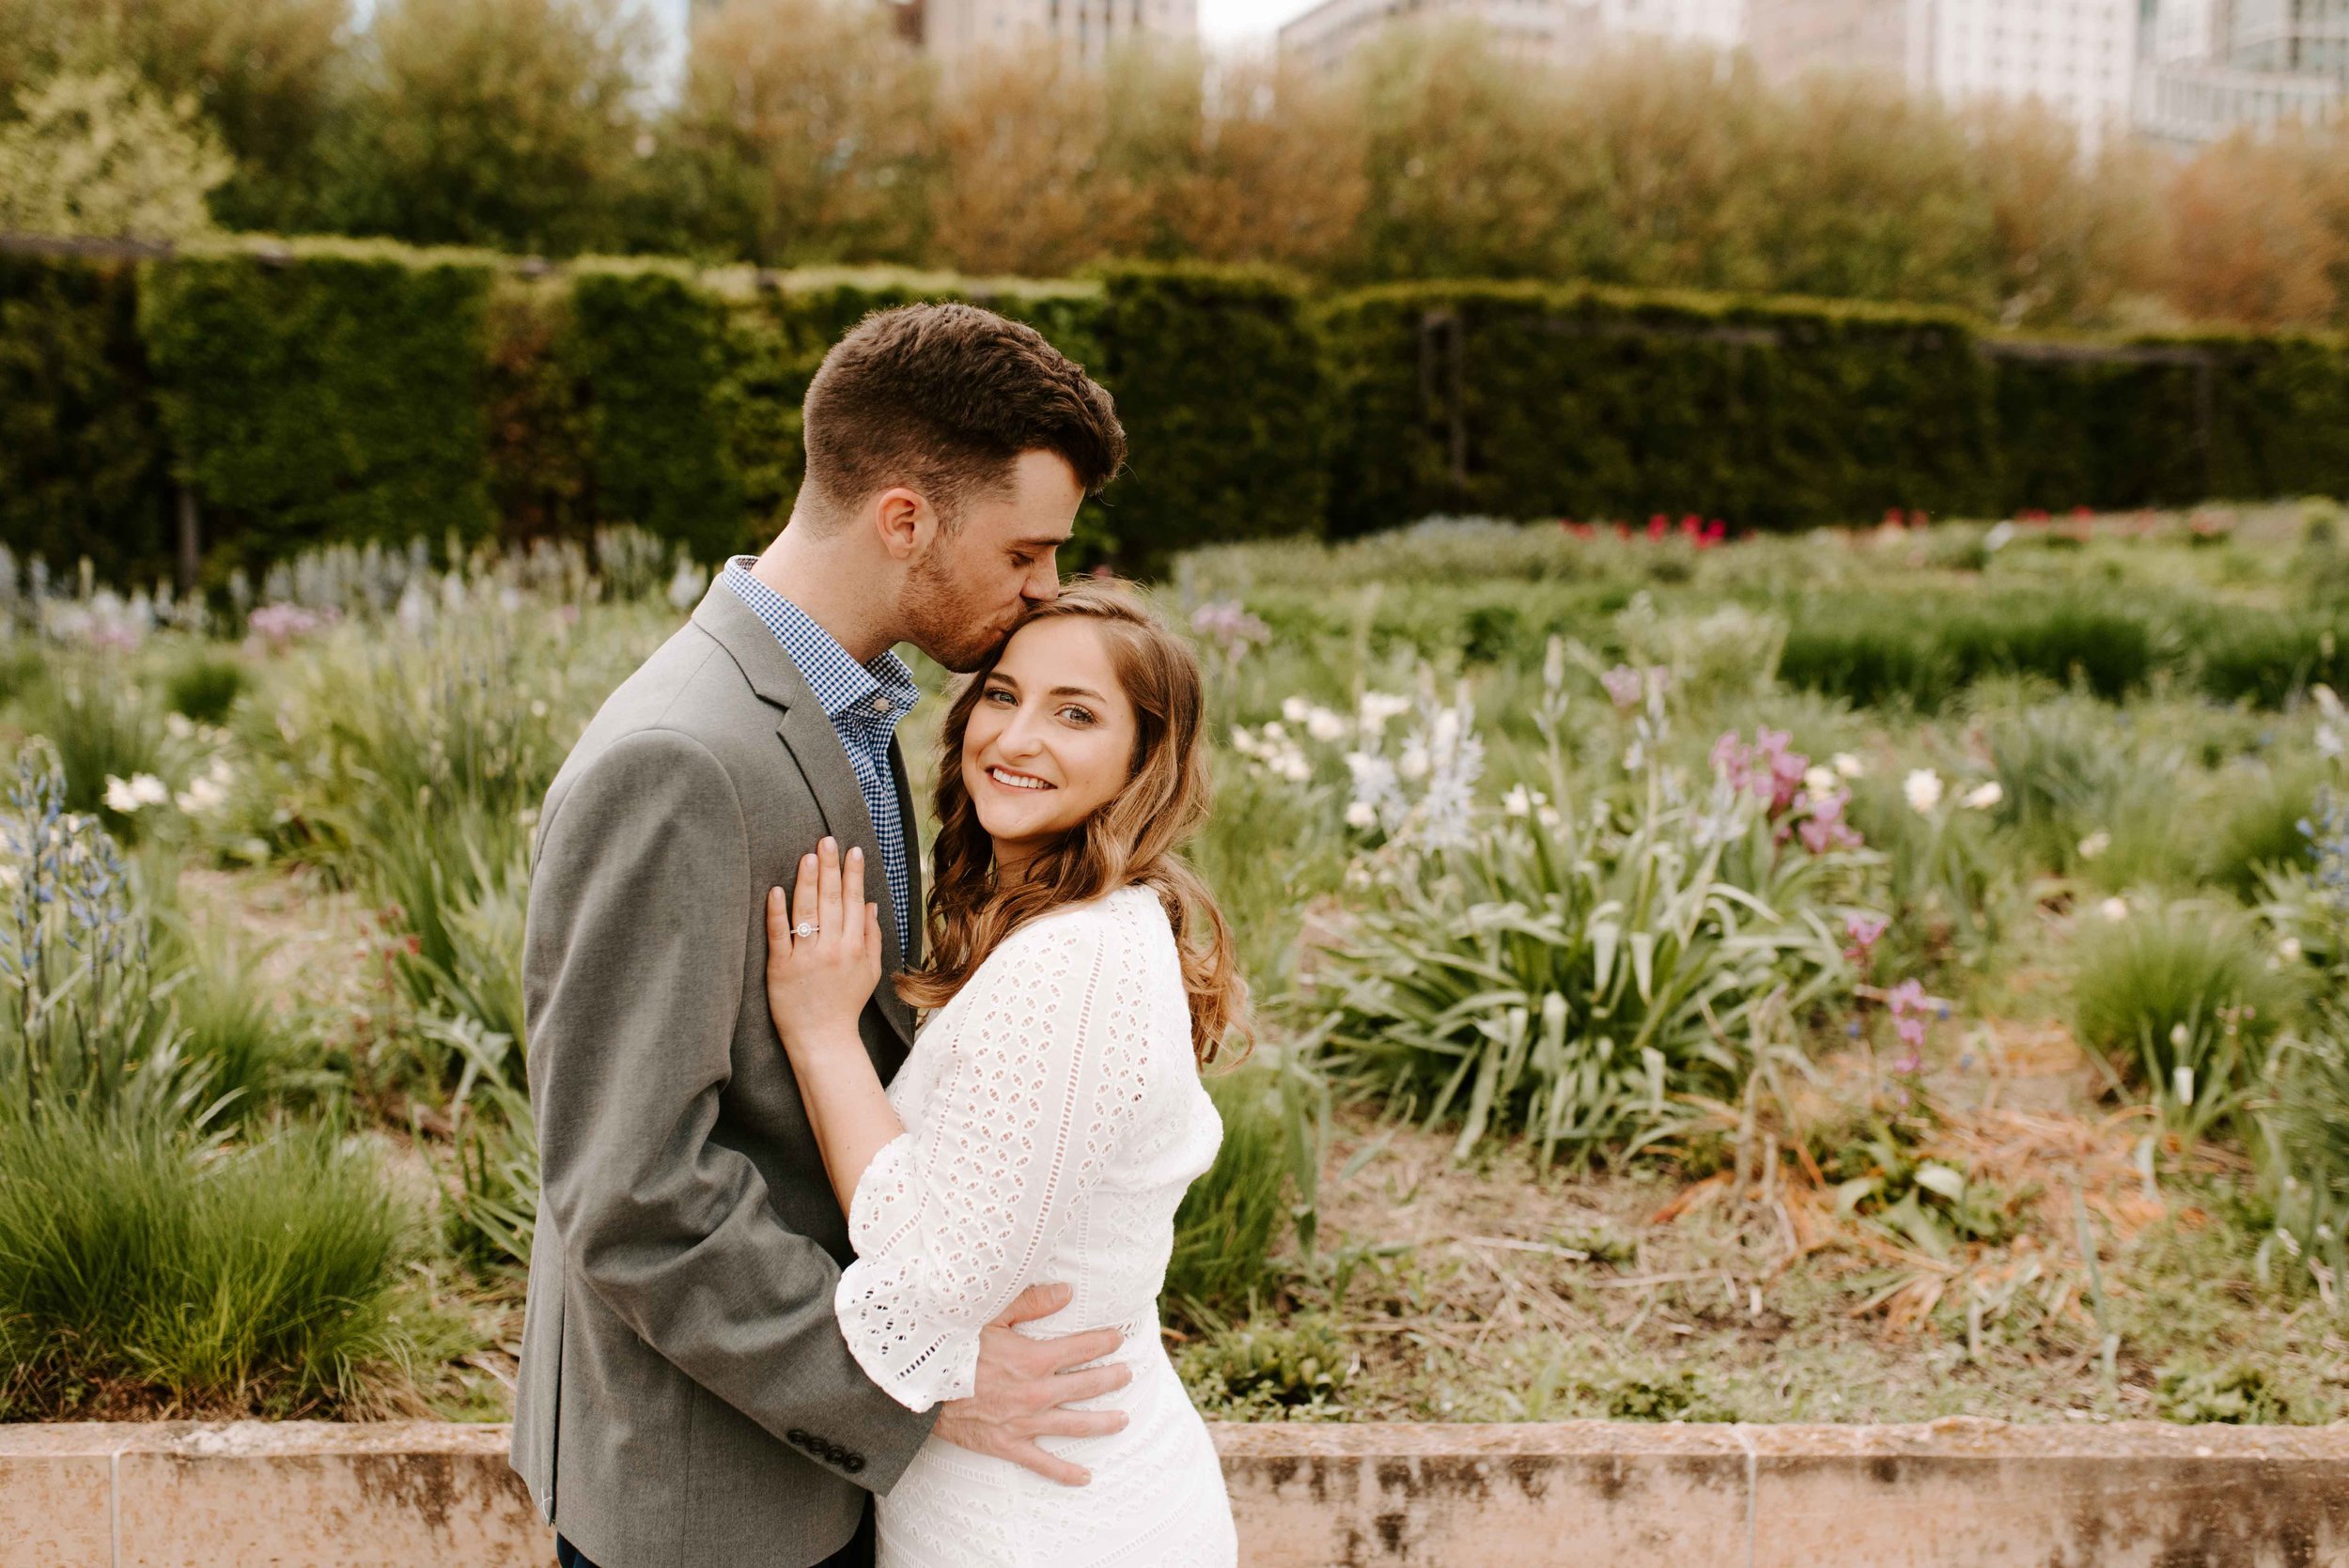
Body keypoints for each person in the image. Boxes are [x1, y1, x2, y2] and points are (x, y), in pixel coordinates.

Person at [511, 302, 1136, 1568]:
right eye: (1027, 552)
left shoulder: (844, 703)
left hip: (798, 1465)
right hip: (711, 1497)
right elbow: (631, 1192)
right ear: (905, 518)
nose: (1046, 590)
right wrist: (911, 1381)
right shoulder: (680, 759)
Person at [763, 579, 1246, 1567]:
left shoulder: (1076, 960)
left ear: (1143, 762)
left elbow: (932, 1275)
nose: (1015, 737)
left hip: (1049, 1523)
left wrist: (819, 1037)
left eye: (1075, 713)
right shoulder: (1079, 928)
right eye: (1000, 694)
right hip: (1045, 1490)